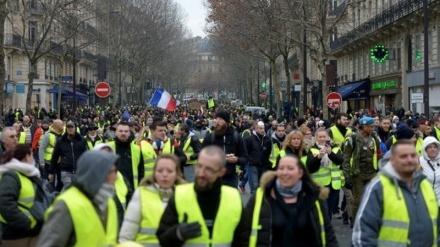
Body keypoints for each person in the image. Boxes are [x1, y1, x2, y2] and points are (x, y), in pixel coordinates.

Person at [352, 140, 440, 246]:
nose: (410, 160)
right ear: (392, 160)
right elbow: (362, 237)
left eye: (413, 155)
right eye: (403, 156)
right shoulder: (378, 187)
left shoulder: (425, 185)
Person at [156, 146, 248, 247]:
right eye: (199, 166)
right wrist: (178, 234)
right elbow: (162, 238)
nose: (201, 173)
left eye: (208, 169)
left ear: (221, 172)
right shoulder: (180, 194)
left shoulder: (233, 197)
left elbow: (243, 241)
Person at [244, 154, 338, 247]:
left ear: (300, 173)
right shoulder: (261, 196)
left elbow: (328, 233)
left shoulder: (313, 196)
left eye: (290, 168)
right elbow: (244, 234)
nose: (285, 172)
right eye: (281, 168)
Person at [38, 150, 120, 247]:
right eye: (111, 172)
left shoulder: (108, 201)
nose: (116, 177)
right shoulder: (66, 205)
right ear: (95, 174)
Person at [119, 154, 186, 245]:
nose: (164, 175)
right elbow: (126, 236)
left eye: (170, 171)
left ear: (177, 174)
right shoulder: (141, 193)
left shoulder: (186, 195)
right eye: (160, 171)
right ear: (154, 172)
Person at [0, 144, 49, 247]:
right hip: (17, 235)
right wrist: (27, 223)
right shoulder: (11, 176)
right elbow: (5, 203)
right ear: (27, 157)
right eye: (31, 155)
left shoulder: (28, 174)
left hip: (30, 233)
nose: (33, 159)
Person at [342, 116, 380, 221]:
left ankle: (370, 219)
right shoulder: (352, 139)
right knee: (357, 199)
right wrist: (347, 177)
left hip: (371, 172)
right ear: (364, 127)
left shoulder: (373, 138)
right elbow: (346, 159)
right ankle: (355, 220)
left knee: (373, 197)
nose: (373, 128)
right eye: (371, 126)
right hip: (358, 173)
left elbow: (378, 154)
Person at [202, 110, 248, 188]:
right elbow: (201, 157)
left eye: (220, 119)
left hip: (230, 178)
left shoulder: (236, 137)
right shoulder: (210, 137)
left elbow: (245, 158)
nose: (217, 121)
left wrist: (236, 160)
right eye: (216, 118)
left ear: (227, 122)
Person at [306, 129, 344, 219]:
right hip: (320, 184)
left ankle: (327, 228)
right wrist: (319, 157)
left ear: (328, 138)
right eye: (320, 137)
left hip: (334, 184)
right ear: (316, 139)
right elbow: (310, 167)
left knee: (329, 209)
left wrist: (330, 153)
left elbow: (340, 161)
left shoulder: (335, 148)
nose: (322, 139)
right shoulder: (312, 149)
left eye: (324, 137)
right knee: (322, 209)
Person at [106, 122, 144, 202]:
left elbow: (141, 172)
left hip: (131, 190)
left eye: (126, 131)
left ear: (129, 133)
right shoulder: (107, 147)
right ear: (116, 133)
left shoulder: (136, 149)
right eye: (120, 131)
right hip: (113, 191)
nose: (123, 133)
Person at [48, 120, 87, 191]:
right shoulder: (60, 141)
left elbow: (85, 156)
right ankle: (61, 201)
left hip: (78, 171)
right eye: (68, 127)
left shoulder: (82, 140)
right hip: (65, 171)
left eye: (72, 127)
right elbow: (55, 157)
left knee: (78, 190)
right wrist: (51, 172)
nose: (70, 129)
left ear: (75, 128)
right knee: (68, 187)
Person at [246, 121, 272, 194]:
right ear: (256, 129)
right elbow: (246, 151)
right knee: (255, 185)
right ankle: (254, 202)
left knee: (262, 185)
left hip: (263, 165)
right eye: (260, 128)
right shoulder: (250, 139)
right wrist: (250, 160)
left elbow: (269, 151)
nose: (263, 130)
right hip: (253, 164)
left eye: (263, 128)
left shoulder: (267, 139)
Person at [420, 136, 440, 206]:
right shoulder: (419, 162)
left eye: (435, 147)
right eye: (430, 147)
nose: (433, 149)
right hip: (425, 202)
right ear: (425, 149)